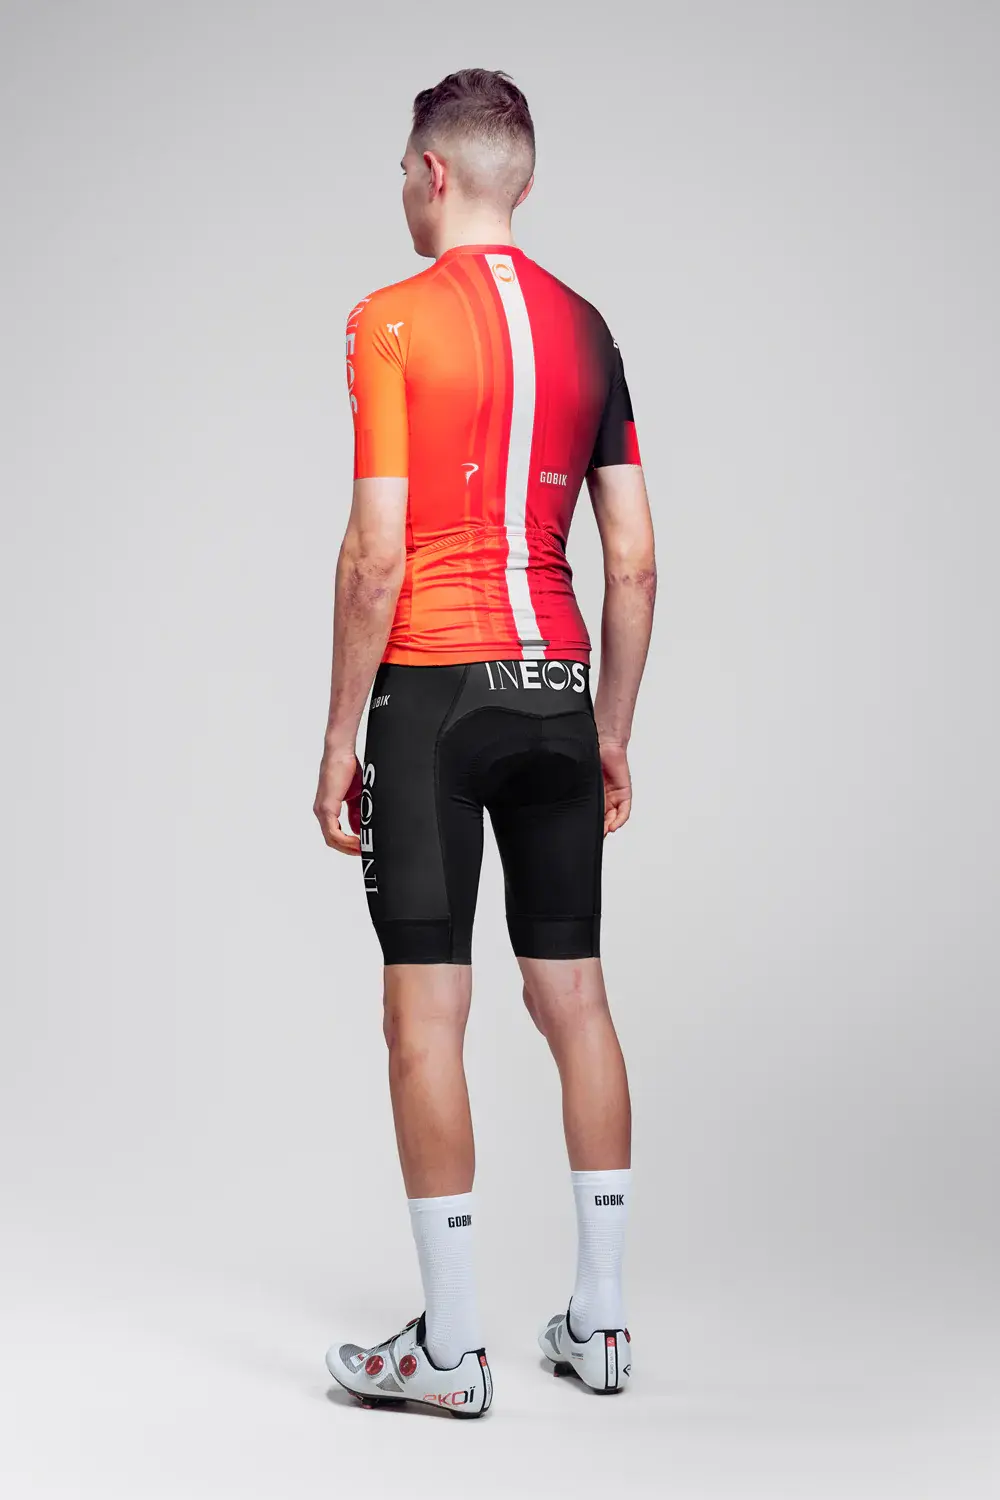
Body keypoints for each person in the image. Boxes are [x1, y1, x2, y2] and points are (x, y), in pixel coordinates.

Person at [314, 68, 655, 1417]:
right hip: (559, 690)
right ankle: (603, 1325)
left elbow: (375, 555)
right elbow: (633, 560)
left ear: (433, 173)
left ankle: (451, 1353)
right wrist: (610, 729)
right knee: (576, 998)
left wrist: (338, 737)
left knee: (425, 1014)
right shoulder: (590, 329)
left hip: (435, 697)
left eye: (404, 173)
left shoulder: (389, 322)